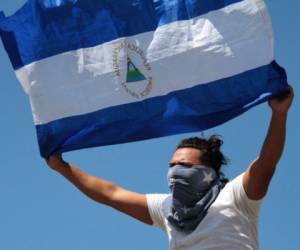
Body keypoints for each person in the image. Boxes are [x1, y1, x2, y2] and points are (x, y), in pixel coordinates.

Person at [46, 86, 294, 250]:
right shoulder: (167, 209)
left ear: (209, 173)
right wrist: (62, 167)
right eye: (172, 165)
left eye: (184, 166)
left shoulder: (236, 196)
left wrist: (279, 115)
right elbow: (110, 194)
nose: (175, 171)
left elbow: (266, 163)